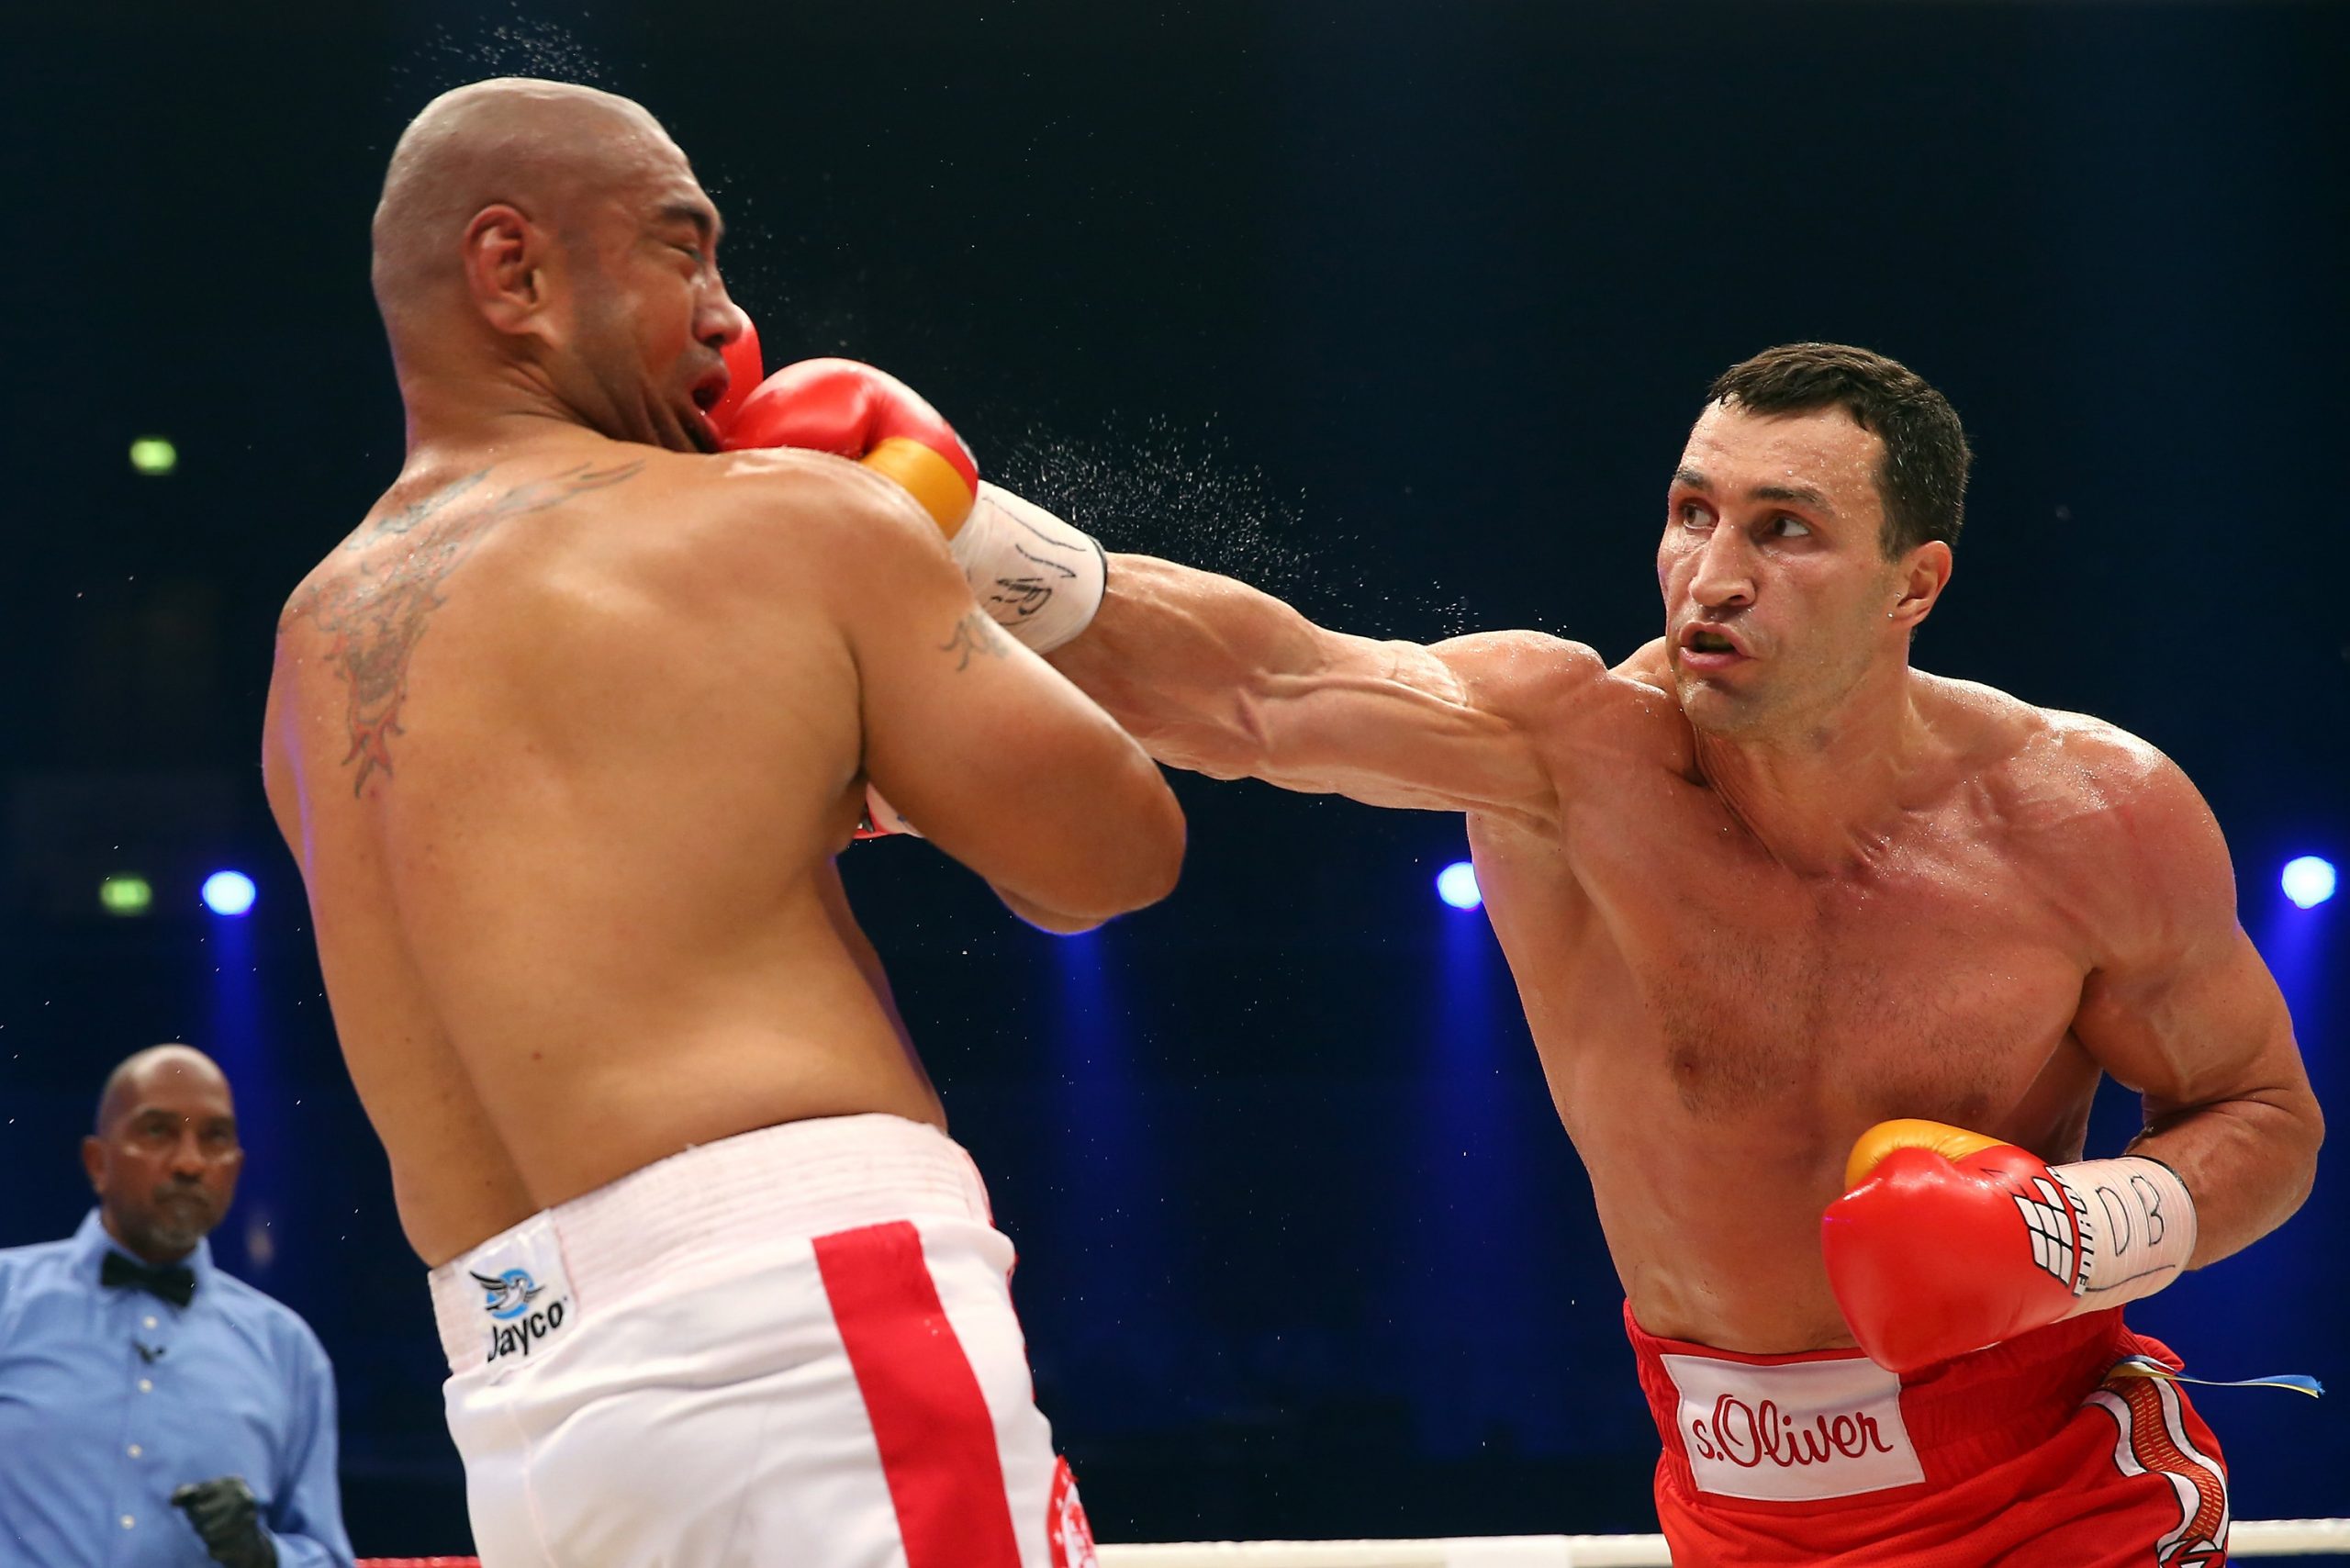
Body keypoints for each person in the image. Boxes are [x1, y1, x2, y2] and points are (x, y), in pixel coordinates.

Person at [993, 342, 2322, 1564]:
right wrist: (946, 536)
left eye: (1784, 529)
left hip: (2051, 1480)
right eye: (1694, 514)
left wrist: (2074, 1230)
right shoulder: (1564, 755)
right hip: (1732, 1498)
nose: (1715, 573)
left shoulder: (2090, 816)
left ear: (1914, 581)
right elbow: (1254, 690)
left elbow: (2263, 1120)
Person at [261, 77, 1181, 1568]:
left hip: (519, 1393)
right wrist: (923, 548)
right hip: (810, 1326)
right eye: (684, 248)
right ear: (515, 270)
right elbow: (1112, 852)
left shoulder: (312, 650)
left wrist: (831, 761)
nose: (727, 315)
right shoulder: (786, 520)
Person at [0, 1045, 352, 1568]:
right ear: (98, 1162)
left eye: (215, 1138)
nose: (190, 1163)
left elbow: (326, 1557)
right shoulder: (7, 1298)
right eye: (158, 1131)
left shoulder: (287, 1349)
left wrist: (266, 1557)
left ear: (237, 1166)